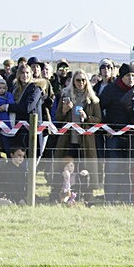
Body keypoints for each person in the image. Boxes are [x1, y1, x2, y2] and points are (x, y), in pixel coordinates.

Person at [54, 69, 101, 202]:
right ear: (73, 82)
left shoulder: (93, 99)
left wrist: (87, 117)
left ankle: (87, 196)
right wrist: (64, 110)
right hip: (68, 139)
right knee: (67, 168)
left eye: (83, 80)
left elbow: (98, 119)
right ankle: (65, 194)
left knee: (86, 168)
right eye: (78, 80)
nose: (81, 82)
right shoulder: (65, 96)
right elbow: (58, 118)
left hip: (86, 140)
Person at [99, 62, 134, 203]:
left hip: (133, 137)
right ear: (121, 77)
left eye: (133, 75)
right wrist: (106, 126)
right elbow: (99, 108)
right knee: (112, 167)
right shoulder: (110, 90)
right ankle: (109, 198)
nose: (131, 78)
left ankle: (126, 199)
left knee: (128, 169)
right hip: (113, 135)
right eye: (128, 76)